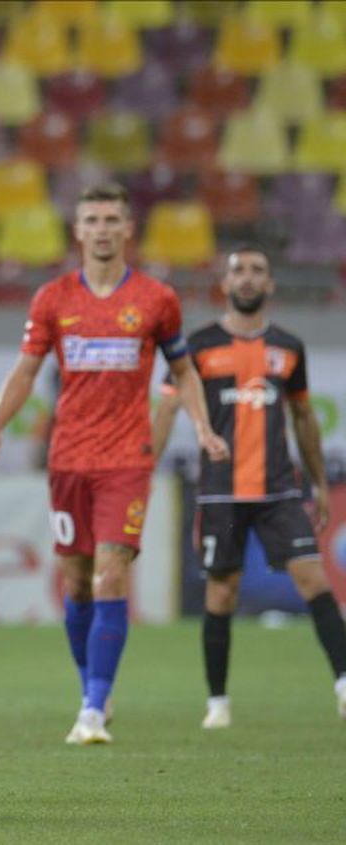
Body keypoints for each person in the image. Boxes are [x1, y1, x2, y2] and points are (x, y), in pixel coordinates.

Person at [0, 183, 230, 745]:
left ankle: (91, 710)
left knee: (110, 573)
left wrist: (205, 427)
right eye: (92, 218)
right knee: (76, 582)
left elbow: (184, 372)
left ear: (128, 228)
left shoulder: (158, 299)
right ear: (78, 230)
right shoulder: (53, 298)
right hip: (68, 458)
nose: (103, 228)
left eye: (113, 218)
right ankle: (95, 686)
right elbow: (24, 371)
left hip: (126, 458)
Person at [152, 244, 346, 729]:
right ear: (225, 282)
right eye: (238, 270)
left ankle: (344, 682)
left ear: (270, 284)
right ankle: (217, 702)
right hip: (220, 491)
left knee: (314, 580)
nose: (247, 278)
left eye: (257, 271)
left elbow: (303, 417)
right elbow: (168, 407)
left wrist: (319, 483)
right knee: (221, 595)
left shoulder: (288, 347)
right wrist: (144, 468)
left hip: (280, 490)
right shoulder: (196, 345)